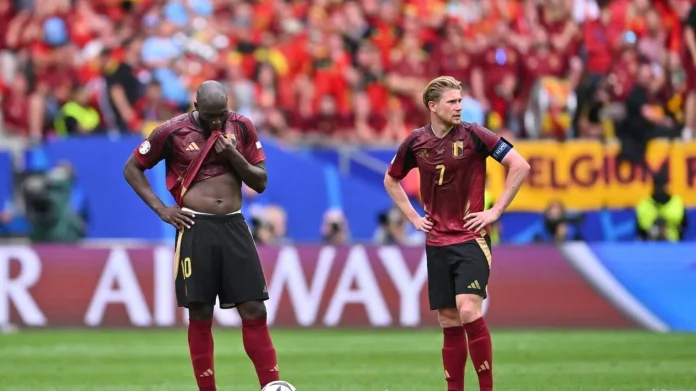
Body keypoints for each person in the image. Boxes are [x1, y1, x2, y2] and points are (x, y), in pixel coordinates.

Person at [123, 80, 279, 391]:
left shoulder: (242, 126)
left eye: (221, 114)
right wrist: (162, 209)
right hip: (195, 227)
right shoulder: (171, 131)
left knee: (254, 308)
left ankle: (272, 386)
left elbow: (260, 182)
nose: (217, 122)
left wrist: (234, 156)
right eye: (209, 116)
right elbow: (132, 168)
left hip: (234, 224)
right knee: (201, 310)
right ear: (196, 108)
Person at [384, 76, 530, 391]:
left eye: (460, 101)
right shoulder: (415, 141)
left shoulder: (476, 135)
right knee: (449, 320)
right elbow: (391, 179)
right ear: (432, 106)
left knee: (467, 309)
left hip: (471, 239)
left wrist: (496, 210)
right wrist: (412, 216)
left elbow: (520, 165)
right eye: (452, 102)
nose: (459, 107)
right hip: (436, 241)